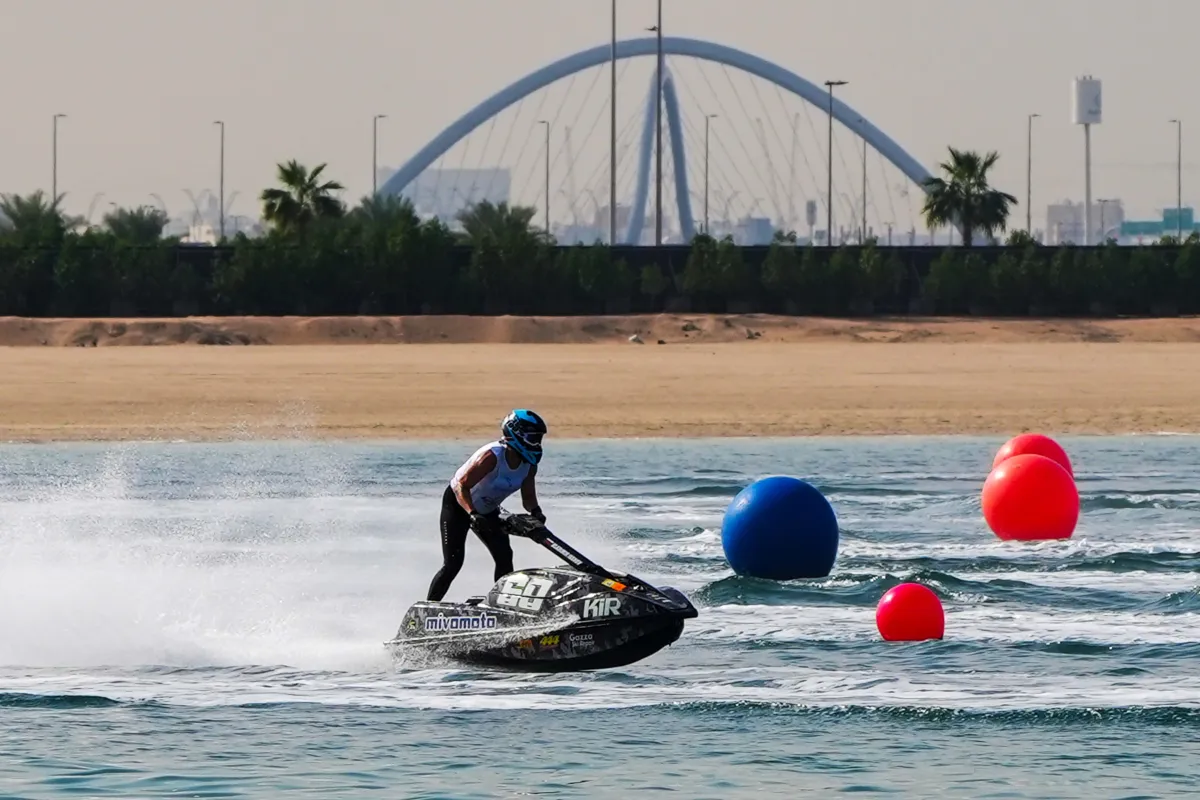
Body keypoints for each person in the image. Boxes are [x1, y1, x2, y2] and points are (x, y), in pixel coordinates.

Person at [426, 409, 548, 602]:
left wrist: (536, 512)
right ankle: (427, 610)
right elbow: (461, 486)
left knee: (504, 556)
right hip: (458, 505)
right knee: (453, 563)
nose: (537, 444)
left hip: (487, 510)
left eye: (539, 439)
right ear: (516, 434)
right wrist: (472, 513)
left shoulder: (529, 465)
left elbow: (529, 499)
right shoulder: (492, 456)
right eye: (533, 439)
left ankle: (502, 605)